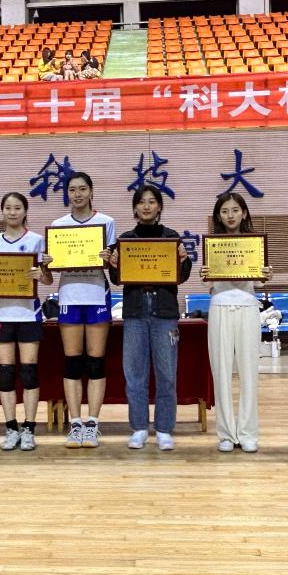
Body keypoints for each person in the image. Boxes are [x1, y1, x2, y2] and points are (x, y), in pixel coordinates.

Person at [107, 186, 192, 451]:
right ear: (134, 208)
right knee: (135, 374)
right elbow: (117, 279)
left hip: (164, 313)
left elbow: (183, 276)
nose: (146, 206)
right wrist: (113, 263)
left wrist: (183, 260)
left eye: (152, 202)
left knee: (167, 374)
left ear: (159, 207)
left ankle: (164, 429)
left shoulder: (171, 237)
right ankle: (140, 428)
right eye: (141, 202)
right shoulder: (125, 239)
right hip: (135, 312)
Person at [0, 192, 52, 452]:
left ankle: (29, 429)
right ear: (2, 211)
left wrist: (42, 272)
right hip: (1, 315)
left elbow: (48, 280)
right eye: (8, 208)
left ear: (25, 211)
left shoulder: (36, 240)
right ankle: (11, 428)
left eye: (17, 208)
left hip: (28, 315)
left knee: (29, 372)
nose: (13, 212)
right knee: (5, 373)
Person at [48, 172, 117, 448]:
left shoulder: (106, 222)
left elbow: (112, 265)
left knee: (95, 362)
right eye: (72, 190)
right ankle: (75, 423)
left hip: (97, 295)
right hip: (70, 296)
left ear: (91, 192)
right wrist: (50, 261)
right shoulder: (58, 226)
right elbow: (53, 267)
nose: (77, 194)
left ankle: (93, 424)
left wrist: (109, 258)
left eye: (82, 189)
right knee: (72, 362)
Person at [202, 192, 270, 453]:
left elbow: (260, 280)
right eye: (224, 211)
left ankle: (248, 432)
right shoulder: (212, 245)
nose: (230, 215)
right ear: (218, 216)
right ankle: (226, 434)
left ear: (244, 213)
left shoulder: (254, 244)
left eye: (235, 210)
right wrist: (205, 274)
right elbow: (208, 282)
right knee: (220, 372)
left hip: (248, 306)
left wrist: (265, 274)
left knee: (249, 372)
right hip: (219, 305)